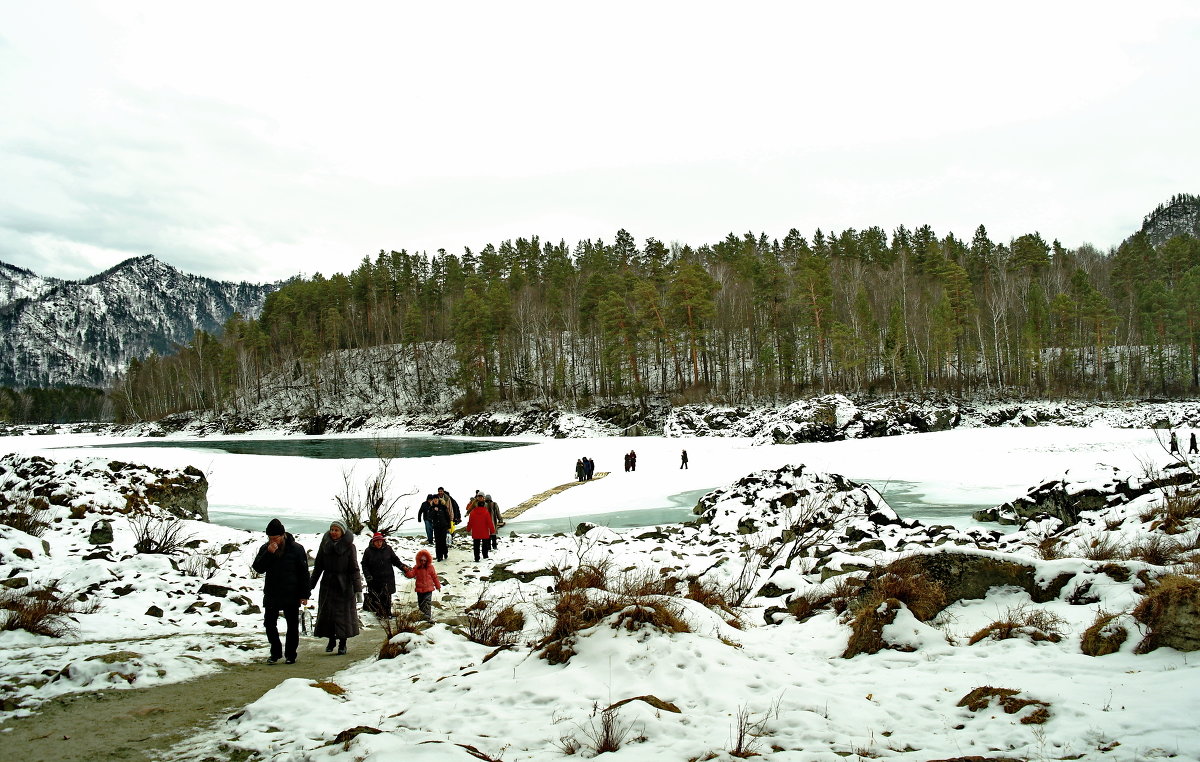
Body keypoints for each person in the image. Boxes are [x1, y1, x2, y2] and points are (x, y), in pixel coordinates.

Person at [251, 519, 310, 664]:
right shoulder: (266, 548)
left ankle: (291, 654)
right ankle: (275, 652)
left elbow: (304, 573)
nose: (273, 540)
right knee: (269, 623)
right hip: (272, 592)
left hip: (292, 592)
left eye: (275, 538)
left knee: (292, 625)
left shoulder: (297, 549)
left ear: (283, 535)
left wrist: (304, 594)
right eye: (270, 538)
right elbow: (258, 568)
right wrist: (269, 554)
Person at [310, 519, 363, 655]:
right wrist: (310, 585)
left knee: (342, 616)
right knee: (328, 614)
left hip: (344, 585)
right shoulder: (325, 545)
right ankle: (331, 640)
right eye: (332, 529)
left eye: (336, 530)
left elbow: (354, 568)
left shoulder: (350, 547)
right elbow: (318, 567)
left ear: (342, 532)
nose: (333, 532)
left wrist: (358, 589)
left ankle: (342, 644)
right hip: (328, 584)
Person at [361, 532, 409, 618]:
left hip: (388, 578)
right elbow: (364, 565)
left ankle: (387, 614)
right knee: (377, 597)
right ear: (373, 542)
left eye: (380, 541)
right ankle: (380, 614)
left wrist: (402, 567)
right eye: (377, 542)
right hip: (374, 579)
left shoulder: (388, 549)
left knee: (387, 596)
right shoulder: (368, 551)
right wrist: (367, 576)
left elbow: (395, 560)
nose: (379, 543)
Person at [404, 548, 441, 621]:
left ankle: (427, 618)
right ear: (419, 560)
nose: (423, 562)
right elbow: (411, 575)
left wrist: (438, 586)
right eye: (421, 560)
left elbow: (435, 577)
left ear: (427, 560)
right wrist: (407, 571)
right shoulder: (416, 568)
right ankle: (422, 617)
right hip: (420, 590)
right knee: (421, 604)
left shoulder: (430, 567)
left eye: (424, 560)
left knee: (427, 604)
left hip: (428, 589)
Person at [467, 492, 496, 562]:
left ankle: (477, 558)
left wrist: (468, 529)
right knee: (485, 544)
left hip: (476, 531)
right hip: (484, 531)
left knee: (476, 545)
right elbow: (489, 522)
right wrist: (492, 530)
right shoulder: (486, 512)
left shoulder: (473, 512)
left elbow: (470, 521)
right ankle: (485, 555)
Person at [430, 495, 452, 562]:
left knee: (443, 541)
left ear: (438, 499)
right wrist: (434, 511)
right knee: (437, 542)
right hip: (436, 527)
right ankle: (439, 556)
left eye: (436, 498)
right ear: (433, 500)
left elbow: (447, 516)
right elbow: (430, 517)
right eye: (434, 499)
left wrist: (449, 525)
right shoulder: (431, 508)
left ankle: (445, 553)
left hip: (443, 526)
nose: (435, 500)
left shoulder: (443, 506)